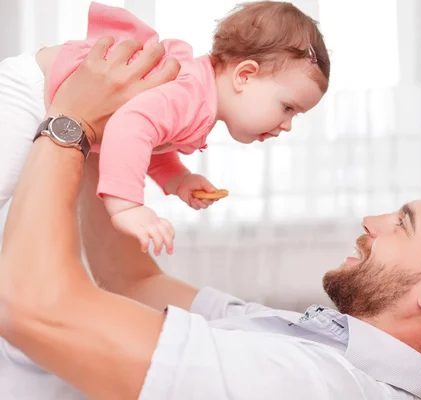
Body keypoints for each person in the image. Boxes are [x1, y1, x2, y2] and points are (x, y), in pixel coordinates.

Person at [0, 38, 421, 400]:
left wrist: (71, 122)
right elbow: (136, 281)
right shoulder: (320, 341)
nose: (372, 220)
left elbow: (31, 309)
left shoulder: (307, 383)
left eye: (402, 224)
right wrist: (113, 136)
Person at [0, 1, 329, 256]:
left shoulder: (196, 94)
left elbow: (149, 138)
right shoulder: (192, 95)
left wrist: (177, 178)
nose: (286, 125)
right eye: (287, 108)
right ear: (244, 75)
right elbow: (132, 126)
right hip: (31, 91)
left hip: (41, 97)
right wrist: (128, 205)